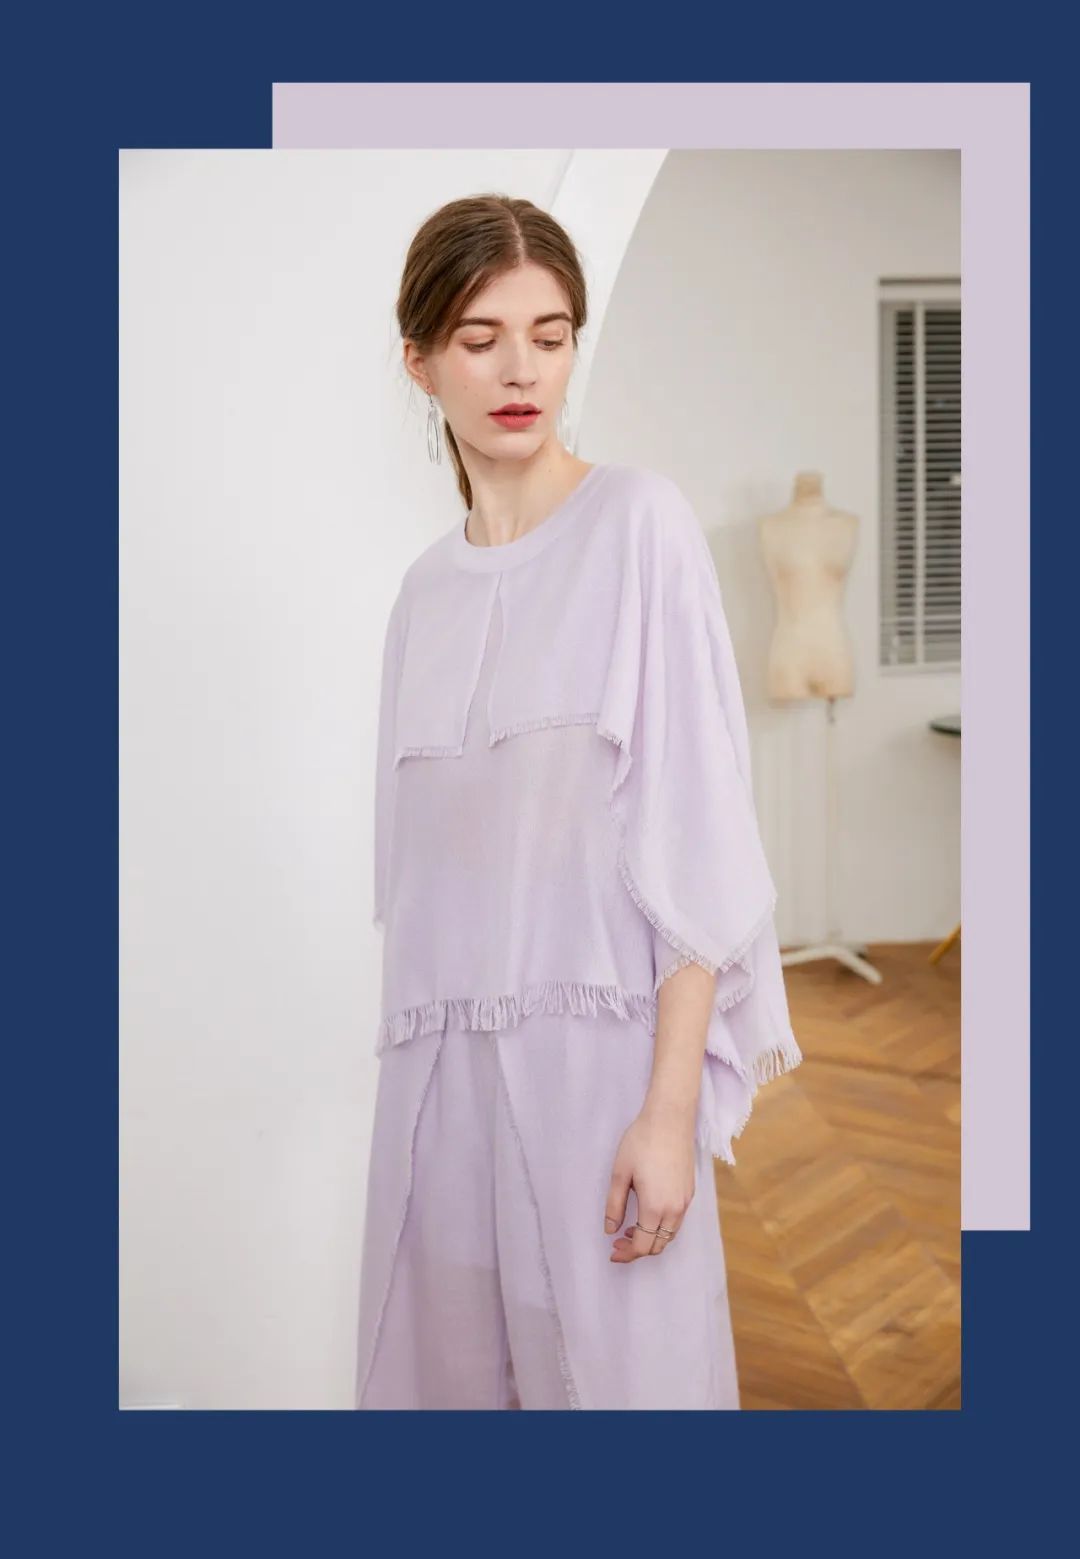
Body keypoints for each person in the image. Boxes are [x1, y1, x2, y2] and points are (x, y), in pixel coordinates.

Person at [354, 194, 803, 1410]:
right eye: (482, 337)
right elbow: (422, 894)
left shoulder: (640, 526)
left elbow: (699, 843)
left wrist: (668, 1112)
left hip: (600, 1086)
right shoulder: (421, 595)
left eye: (549, 337)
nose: (521, 371)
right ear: (421, 359)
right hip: (440, 1101)